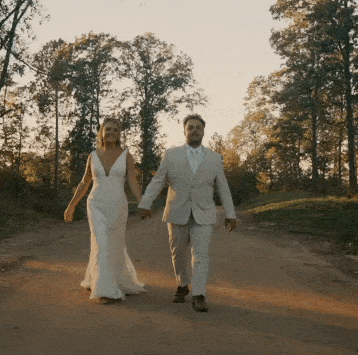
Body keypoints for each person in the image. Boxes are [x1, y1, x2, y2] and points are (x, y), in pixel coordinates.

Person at [138, 113, 237, 312]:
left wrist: (230, 214)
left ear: (203, 131)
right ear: (184, 131)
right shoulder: (170, 155)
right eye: (190, 127)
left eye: (198, 127)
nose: (194, 130)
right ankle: (182, 284)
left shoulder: (214, 158)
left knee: (201, 255)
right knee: (178, 253)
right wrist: (145, 203)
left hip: (204, 213)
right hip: (177, 211)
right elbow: (158, 180)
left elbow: (223, 187)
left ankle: (199, 294)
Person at [65, 117, 146, 304]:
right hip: (96, 204)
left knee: (114, 244)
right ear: (101, 132)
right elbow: (84, 182)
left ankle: (108, 279)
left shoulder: (126, 155)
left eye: (115, 130)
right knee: (101, 242)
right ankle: (105, 290)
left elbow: (133, 182)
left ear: (119, 134)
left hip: (118, 205)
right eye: (108, 129)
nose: (111, 133)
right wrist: (71, 205)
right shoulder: (92, 156)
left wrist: (143, 202)